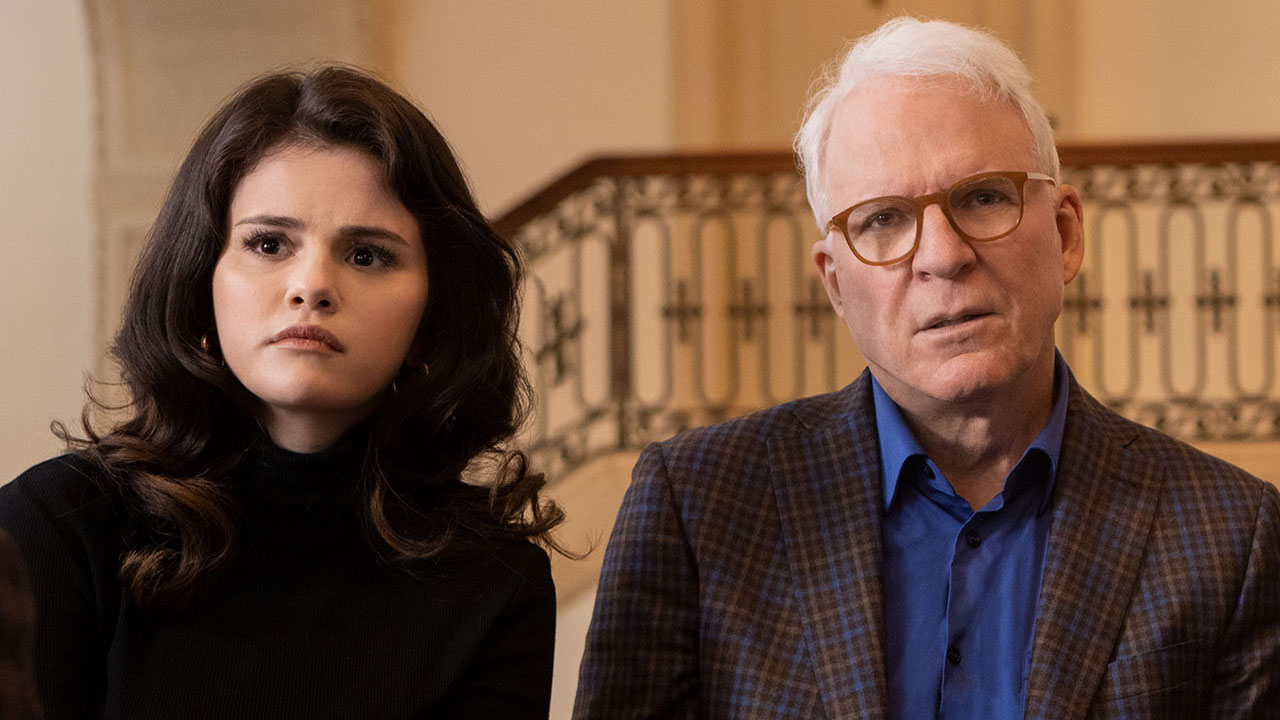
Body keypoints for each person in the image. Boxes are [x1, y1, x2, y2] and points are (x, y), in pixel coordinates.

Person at [574, 17, 1279, 720]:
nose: (942, 256)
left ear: (1066, 234)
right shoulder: (700, 507)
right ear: (835, 284)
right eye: (883, 219)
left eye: (983, 197)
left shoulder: (1229, 537)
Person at [0, 65, 563, 719]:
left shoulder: (496, 583)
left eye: (367, 255)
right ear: (202, 277)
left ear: (434, 312)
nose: (311, 285)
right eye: (269, 244)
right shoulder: (54, 526)